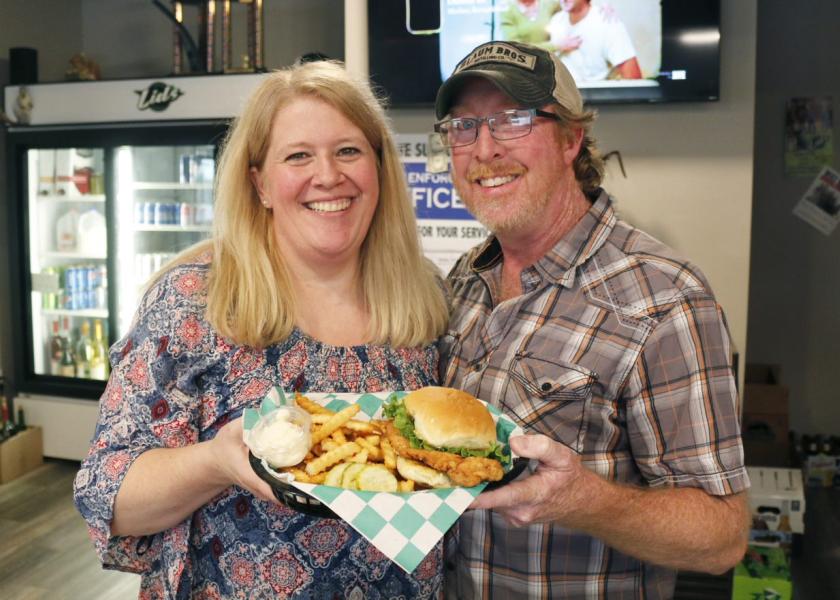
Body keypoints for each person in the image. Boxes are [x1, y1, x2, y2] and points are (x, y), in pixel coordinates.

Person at [73, 60, 449, 599]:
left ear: (380, 169)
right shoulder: (193, 302)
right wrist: (215, 462)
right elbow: (109, 495)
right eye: (298, 155)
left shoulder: (425, 294)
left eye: (349, 151)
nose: (328, 175)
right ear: (260, 183)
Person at [433, 40, 749, 598]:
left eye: (513, 119)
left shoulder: (664, 298)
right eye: (463, 126)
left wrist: (585, 501)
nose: (483, 149)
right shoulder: (465, 277)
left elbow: (721, 538)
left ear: (570, 139)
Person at [547, 0, 642, 82]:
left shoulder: (607, 21)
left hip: (595, 97)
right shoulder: (556, 21)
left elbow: (634, 79)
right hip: (560, 98)